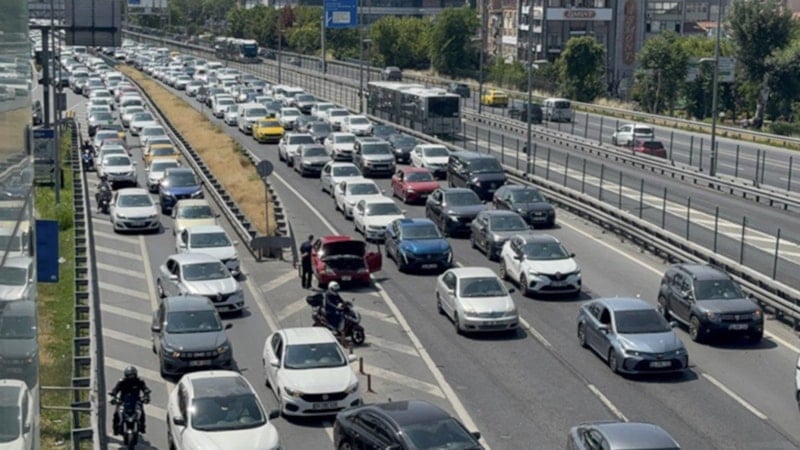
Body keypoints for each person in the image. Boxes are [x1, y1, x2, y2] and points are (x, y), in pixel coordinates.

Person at [109, 366, 151, 435]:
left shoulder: (139, 381)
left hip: (136, 400)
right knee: (116, 413)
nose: (131, 377)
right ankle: (116, 429)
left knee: (141, 412)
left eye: (133, 375)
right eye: (129, 375)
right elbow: (115, 389)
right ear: (126, 375)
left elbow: (145, 388)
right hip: (123, 401)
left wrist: (146, 395)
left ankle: (142, 427)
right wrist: (113, 394)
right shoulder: (122, 381)